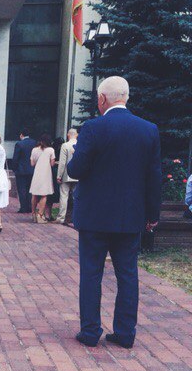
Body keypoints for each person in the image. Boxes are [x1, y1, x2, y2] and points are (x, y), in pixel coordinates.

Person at [67, 76, 162, 349]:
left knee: (91, 274)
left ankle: (90, 331)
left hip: (94, 217)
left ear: (102, 99)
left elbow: (76, 170)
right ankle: (125, 333)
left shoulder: (93, 128)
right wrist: (152, 215)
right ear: (126, 97)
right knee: (128, 275)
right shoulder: (149, 130)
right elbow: (154, 177)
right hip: (130, 216)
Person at [29, 134, 55, 223]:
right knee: (44, 195)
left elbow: (32, 163)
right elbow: (52, 164)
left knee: (34, 194)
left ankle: (33, 214)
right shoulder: (50, 150)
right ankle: (40, 215)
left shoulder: (34, 150)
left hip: (37, 173)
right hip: (46, 173)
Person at [56, 128, 78, 225]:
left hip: (66, 174)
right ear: (77, 135)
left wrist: (59, 175)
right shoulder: (80, 144)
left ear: (68, 135)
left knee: (64, 196)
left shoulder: (65, 145)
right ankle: (76, 217)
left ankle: (61, 217)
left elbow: (62, 162)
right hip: (77, 175)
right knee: (76, 197)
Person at [12, 129, 37, 213]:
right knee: (30, 189)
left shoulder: (19, 144)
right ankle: (30, 207)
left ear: (21, 135)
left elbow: (15, 158)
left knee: (22, 189)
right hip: (32, 169)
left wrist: (14, 168)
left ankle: (23, 207)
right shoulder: (34, 143)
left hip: (21, 170)